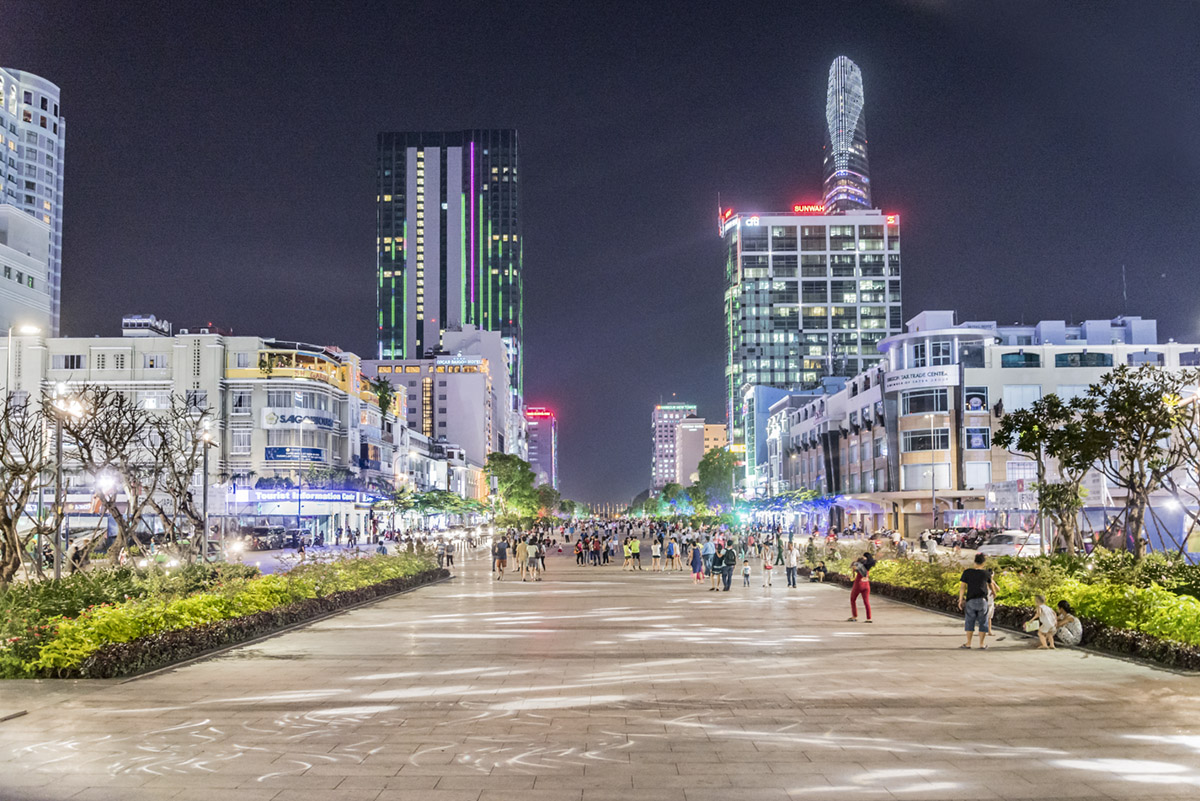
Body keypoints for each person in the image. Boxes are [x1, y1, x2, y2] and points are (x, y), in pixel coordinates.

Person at [957, 553, 998, 649]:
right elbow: (991, 585)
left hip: (970, 600)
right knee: (983, 622)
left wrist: (960, 599)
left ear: (974, 561)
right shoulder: (986, 573)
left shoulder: (967, 572)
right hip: (982, 601)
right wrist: (994, 593)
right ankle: (982, 644)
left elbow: (963, 587)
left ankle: (968, 643)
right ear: (983, 563)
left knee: (969, 622)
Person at [847, 551, 874, 622]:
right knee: (866, 602)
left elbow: (854, 567)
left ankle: (854, 616)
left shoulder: (859, 565)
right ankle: (869, 618)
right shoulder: (868, 567)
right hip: (866, 585)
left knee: (853, 599)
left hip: (858, 584)